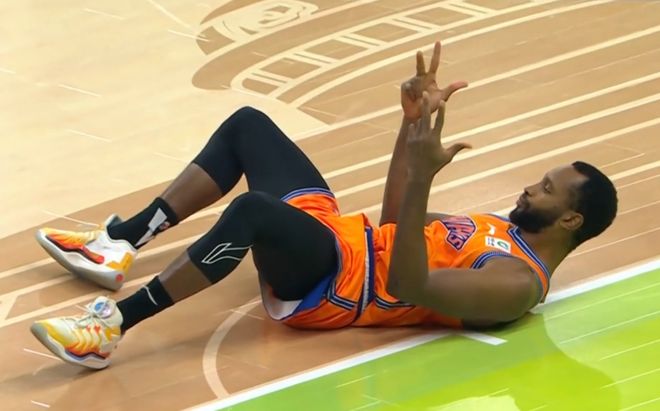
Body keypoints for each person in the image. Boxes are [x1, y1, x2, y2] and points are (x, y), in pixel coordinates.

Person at [30, 42, 618, 370]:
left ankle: (111, 328)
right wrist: (410, 127)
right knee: (249, 126)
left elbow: (408, 283)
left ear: (571, 220)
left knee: (254, 210)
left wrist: (422, 178)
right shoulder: (496, 229)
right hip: (336, 238)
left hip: (330, 285)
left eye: (546, 189)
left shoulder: (516, 284)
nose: (529, 189)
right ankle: (121, 243)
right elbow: (396, 224)